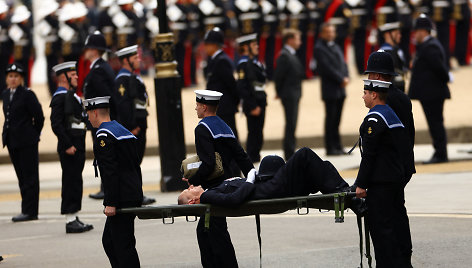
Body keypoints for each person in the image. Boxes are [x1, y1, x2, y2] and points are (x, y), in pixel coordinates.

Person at [183, 89, 254, 268]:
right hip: (228, 185)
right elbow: (241, 155)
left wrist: (194, 180)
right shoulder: (225, 126)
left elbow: (208, 164)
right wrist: (253, 177)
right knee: (208, 231)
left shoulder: (202, 129)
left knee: (214, 233)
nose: (196, 108)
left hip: (213, 190)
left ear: (204, 106)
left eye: (198, 105)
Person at [354, 78, 412, 267]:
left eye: (365, 93)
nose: (363, 97)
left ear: (374, 94)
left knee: (382, 233)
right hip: (395, 180)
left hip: (381, 185)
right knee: (395, 227)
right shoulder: (391, 114)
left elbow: (369, 156)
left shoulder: (375, 118)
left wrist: (361, 184)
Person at [179, 147, 351, 206]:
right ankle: (347, 194)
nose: (191, 187)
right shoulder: (209, 196)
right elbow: (234, 199)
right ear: (193, 201)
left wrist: (193, 177)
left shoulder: (210, 191)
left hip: (268, 184)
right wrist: (250, 179)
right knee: (304, 154)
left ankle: (346, 194)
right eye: (189, 190)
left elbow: (213, 171)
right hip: (269, 189)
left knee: (321, 167)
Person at [84, 96, 142, 268]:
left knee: (122, 245)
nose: (87, 118)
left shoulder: (104, 135)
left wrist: (111, 203)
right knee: (110, 241)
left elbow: (110, 172)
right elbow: (135, 165)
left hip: (121, 197)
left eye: (88, 114)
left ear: (95, 112)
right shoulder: (122, 130)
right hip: (131, 192)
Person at [50, 61, 94, 233]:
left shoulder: (71, 96)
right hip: (70, 147)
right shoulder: (60, 97)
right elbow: (56, 124)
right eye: (73, 74)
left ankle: (74, 216)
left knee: (76, 181)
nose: (77, 76)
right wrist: (67, 144)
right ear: (64, 77)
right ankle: (70, 219)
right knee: (70, 181)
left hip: (77, 146)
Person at [2, 63, 44, 222]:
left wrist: (34, 134)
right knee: (21, 177)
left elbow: (39, 116)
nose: (13, 79)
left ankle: (31, 211)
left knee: (30, 177)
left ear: (21, 79)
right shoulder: (6, 94)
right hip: (12, 141)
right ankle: (25, 209)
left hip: (27, 141)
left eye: (16, 77)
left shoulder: (27, 94)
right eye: (10, 76)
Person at [114, 44, 155, 205]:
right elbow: (123, 105)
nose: (139, 60)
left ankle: (136, 193)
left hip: (139, 127)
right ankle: (134, 194)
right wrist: (132, 127)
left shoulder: (132, 76)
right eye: (135, 58)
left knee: (135, 163)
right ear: (125, 61)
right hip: (133, 129)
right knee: (131, 164)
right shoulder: (122, 79)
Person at [409, 14, 450, 164]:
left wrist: (447, 77)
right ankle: (439, 152)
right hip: (430, 93)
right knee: (435, 123)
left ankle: (440, 153)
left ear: (423, 31)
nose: (415, 34)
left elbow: (439, 68)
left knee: (435, 123)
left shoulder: (430, 46)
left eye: (417, 31)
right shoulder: (427, 45)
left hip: (433, 93)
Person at [82, 30, 116, 200]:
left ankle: (107, 187)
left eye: (88, 48)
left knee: (103, 153)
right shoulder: (99, 67)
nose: (85, 51)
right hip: (97, 119)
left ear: (94, 50)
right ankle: (106, 186)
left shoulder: (99, 69)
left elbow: (104, 97)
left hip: (99, 120)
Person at [314, 23, 349, 156]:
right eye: (327, 32)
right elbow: (326, 67)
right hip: (330, 89)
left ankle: (338, 146)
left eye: (332, 32)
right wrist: (341, 79)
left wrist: (346, 76)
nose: (330, 34)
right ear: (322, 33)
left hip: (340, 88)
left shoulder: (336, 45)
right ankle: (330, 147)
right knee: (331, 119)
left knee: (338, 119)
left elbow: (343, 63)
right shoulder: (319, 48)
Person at [236, 33, 267, 163]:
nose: (257, 47)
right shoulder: (243, 64)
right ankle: (252, 159)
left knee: (258, 133)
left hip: (260, 101)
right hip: (253, 103)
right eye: (254, 45)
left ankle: (255, 157)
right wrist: (253, 105)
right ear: (246, 47)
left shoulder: (254, 62)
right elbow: (243, 87)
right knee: (254, 133)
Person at [203, 27, 239, 138]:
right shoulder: (213, 59)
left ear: (214, 45)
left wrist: (233, 103)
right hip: (218, 107)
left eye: (207, 44)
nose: (205, 47)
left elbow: (231, 84)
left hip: (224, 107)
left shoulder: (221, 61)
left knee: (229, 136)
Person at [273, 28, 304, 160]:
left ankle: (291, 150)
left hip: (294, 93)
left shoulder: (291, 54)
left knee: (293, 123)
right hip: (289, 94)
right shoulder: (284, 56)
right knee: (290, 123)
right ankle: (289, 152)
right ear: (290, 40)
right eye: (297, 39)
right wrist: (279, 92)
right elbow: (278, 77)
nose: (300, 42)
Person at [379, 21, 408, 92]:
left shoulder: (397, 50)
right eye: (397, 33)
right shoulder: (383, 53)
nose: (400, 36)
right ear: (388, 35)